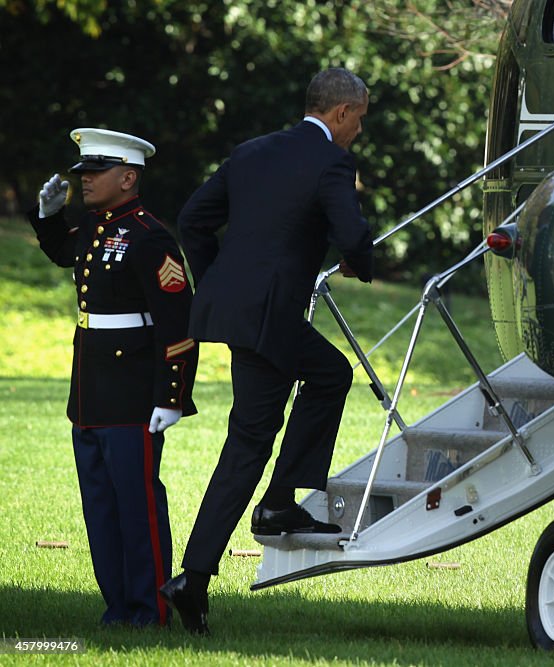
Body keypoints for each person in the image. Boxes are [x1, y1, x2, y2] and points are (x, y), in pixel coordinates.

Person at [160, 67, 374, 634]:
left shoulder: (253, 151)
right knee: (258, 434)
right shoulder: (333, 160)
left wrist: (220, 285)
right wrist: (361, 263)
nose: (359, 132)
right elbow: (351, 235)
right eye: (361, 120)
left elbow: (192, 219)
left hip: (245, 314)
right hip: (268, 319)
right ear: (342, 113)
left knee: (320, 379)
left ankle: (260, 519)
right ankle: (207, 565)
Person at [28, 128, 199, 627]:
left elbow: (178, 325)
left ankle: (153, 611)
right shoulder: (95, 226)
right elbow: (65, 253)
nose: (84, 180)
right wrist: (47, 216)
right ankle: (118, 608)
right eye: (83, 172)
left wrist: (171, 396)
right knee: (101, 509)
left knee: (137, 507)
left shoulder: (149, 236)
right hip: (90, 393)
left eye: (95, 172)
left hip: (132, 396)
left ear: (128, 177)